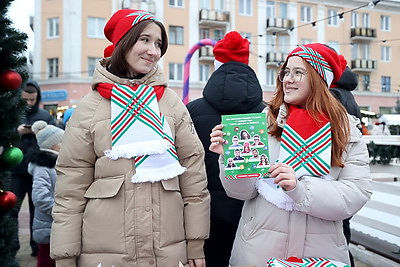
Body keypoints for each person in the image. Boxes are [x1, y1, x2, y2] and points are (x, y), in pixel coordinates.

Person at [50, 9, 210, 267]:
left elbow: (193, 180)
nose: (153, 51)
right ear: (122, 42)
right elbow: (70, 190)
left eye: (158, 44)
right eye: (144, 40)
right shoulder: (89, 108)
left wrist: (195, 245)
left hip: (167, 252)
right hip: (105, 252)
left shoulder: (170, 104)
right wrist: (65, 257)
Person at [209, 43, 372, 267]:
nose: (288, 79)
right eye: (286, 72)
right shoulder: (265, 123)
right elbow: (240, 193)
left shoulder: (346, 131)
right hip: (258, 252)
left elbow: (355, 194)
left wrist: (300, 188)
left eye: (298, 72)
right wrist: (230, 159)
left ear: (319, 78)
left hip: (320, 254)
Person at [187, 31, 266, 267]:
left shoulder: (193, 110)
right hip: (252, 211)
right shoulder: (266, 113)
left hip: (205, 213)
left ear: (216, 66)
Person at [9, 80, 55, 258]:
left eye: (33, 100)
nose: (29, 103)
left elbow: (54, 139)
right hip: (16, 170)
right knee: (12, 209)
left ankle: (37, 247)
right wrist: (16, 132)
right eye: (26, 99)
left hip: (39, 169)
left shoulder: (44, 115)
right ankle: (11, 248)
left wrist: (40, 133)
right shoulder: (13, 115)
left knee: (38, 210)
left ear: (38, 98)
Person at [329, 64, 362, 267]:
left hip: (333, 164)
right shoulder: (349, 97)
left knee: (336, 232)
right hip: (345, 166)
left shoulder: (333, 96)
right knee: (343, 228)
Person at [28, 121, 64, 267]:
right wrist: (58, 210)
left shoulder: (57, 162)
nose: (64, 144)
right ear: (51, 145)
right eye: (61, 141)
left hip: (56, 223)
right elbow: (39, 197)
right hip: (48, 224)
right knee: (45, 260)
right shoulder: (43, 167)